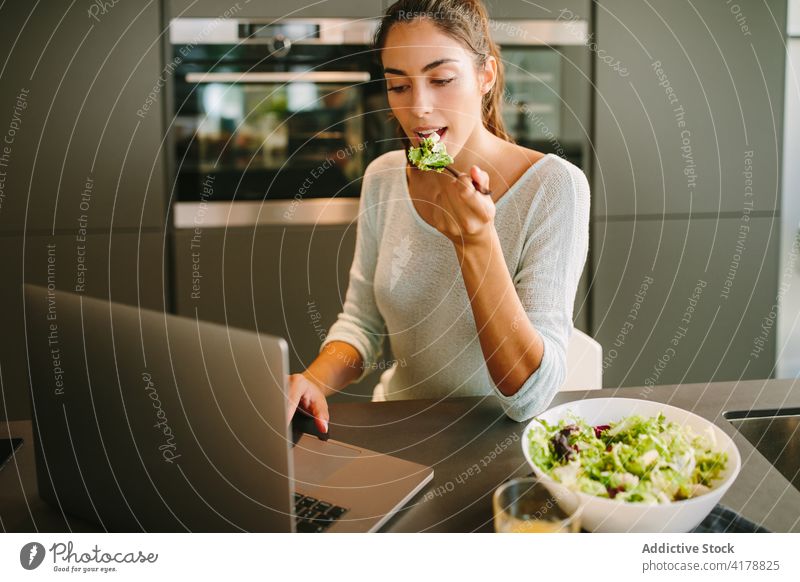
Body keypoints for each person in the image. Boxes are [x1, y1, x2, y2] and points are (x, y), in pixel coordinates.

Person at [287, 0, 590, 434]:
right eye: (399, 87)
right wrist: (311, 382)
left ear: (484, 76)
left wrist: (476, 240)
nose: (418, 108)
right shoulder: (384, 176)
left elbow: (529, 397)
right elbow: (363, 321)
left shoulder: (554, 187)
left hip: (500, 442)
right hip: (401, 427)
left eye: (441, 79)